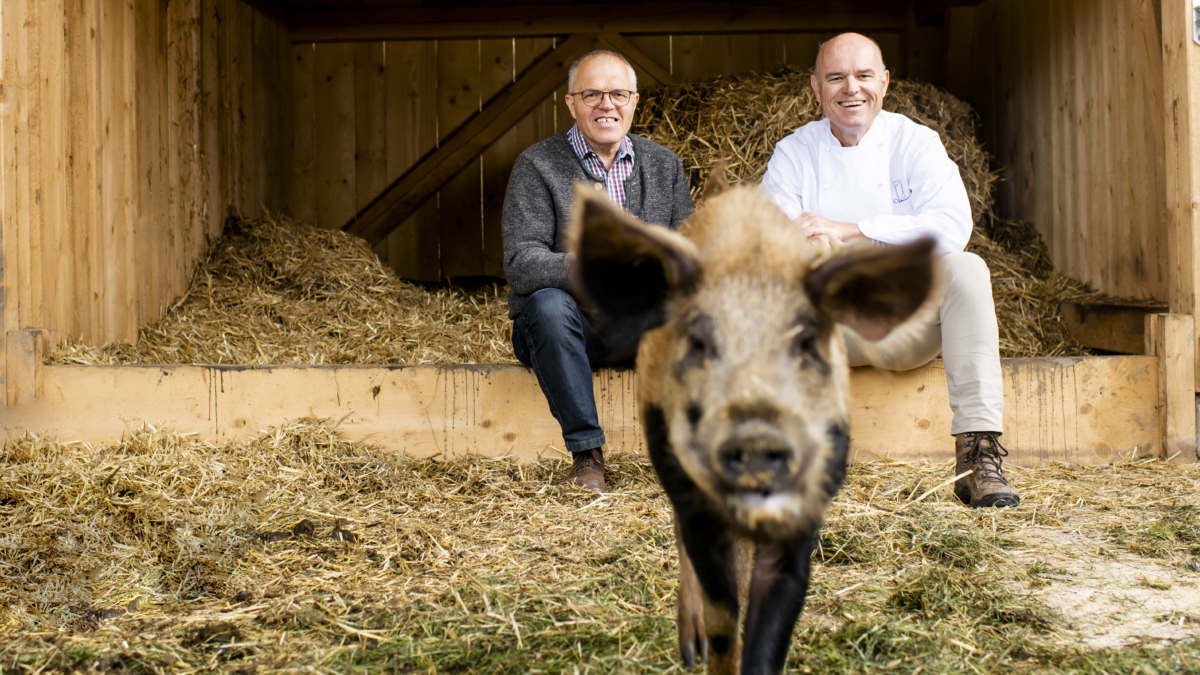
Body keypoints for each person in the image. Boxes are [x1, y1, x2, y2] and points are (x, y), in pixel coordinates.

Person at [760, 32, 1019, 508]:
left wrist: (849, 231)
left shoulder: (915, 143)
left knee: (966, 269)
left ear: (885, 81)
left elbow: (949, 229)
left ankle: (977, 455)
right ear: (816, 88)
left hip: (905, 325)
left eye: (862, 76)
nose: (850, 89)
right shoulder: (793, 153)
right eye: (836, 77)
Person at [502, 50, 694, 492]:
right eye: (592, 94)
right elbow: (521, 264)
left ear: (635, 101)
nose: (606, 104)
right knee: (547, 306)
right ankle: (587, 456)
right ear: (571, 104)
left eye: (618, 94)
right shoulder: (537, 166)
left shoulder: (663, 166)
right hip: (571, 329)